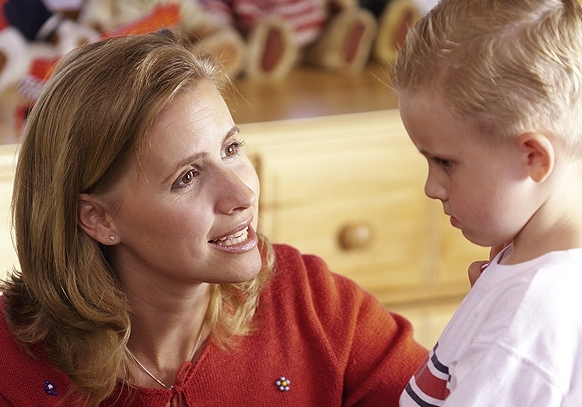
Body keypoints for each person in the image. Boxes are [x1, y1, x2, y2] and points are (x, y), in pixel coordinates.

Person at [0, 29, 428, 406]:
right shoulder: (11, 371)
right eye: (187, 177)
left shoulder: (313, 306)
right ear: (97, 219)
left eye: (230, 150)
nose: (241, 195)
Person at [391, 0, 582, 406]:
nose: (431, 187)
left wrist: (506, 318)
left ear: (534, 157)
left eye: (445, 162)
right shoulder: (564, 276)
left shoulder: (533, 323)